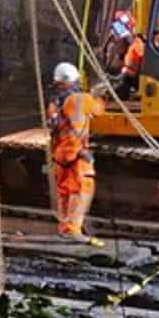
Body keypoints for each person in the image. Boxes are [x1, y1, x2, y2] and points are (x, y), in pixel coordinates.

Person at [47, 62, 105, 246]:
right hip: (76, 153)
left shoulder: (54, 103)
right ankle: (73, 230)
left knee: (64, 192)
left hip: (60, 154)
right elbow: (99, 111)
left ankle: (65, 229)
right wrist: (100, 95)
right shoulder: (81, 98)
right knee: (82, 188)